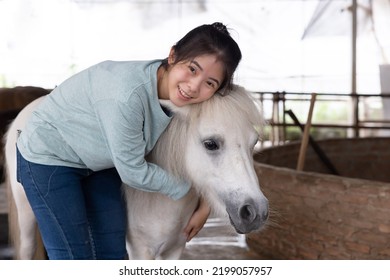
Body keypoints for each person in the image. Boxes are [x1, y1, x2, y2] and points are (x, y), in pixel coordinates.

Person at [16, 22, 242, 260]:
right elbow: (134, 171)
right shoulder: (128, 96)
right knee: (74, 256)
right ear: (173, 54)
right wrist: (189, 191)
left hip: (98, 160)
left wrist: (206, 204)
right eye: (193, 69)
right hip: (49, 155)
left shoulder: (187, 97)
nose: (194, 86)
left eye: (210, 82)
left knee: (112, 251)